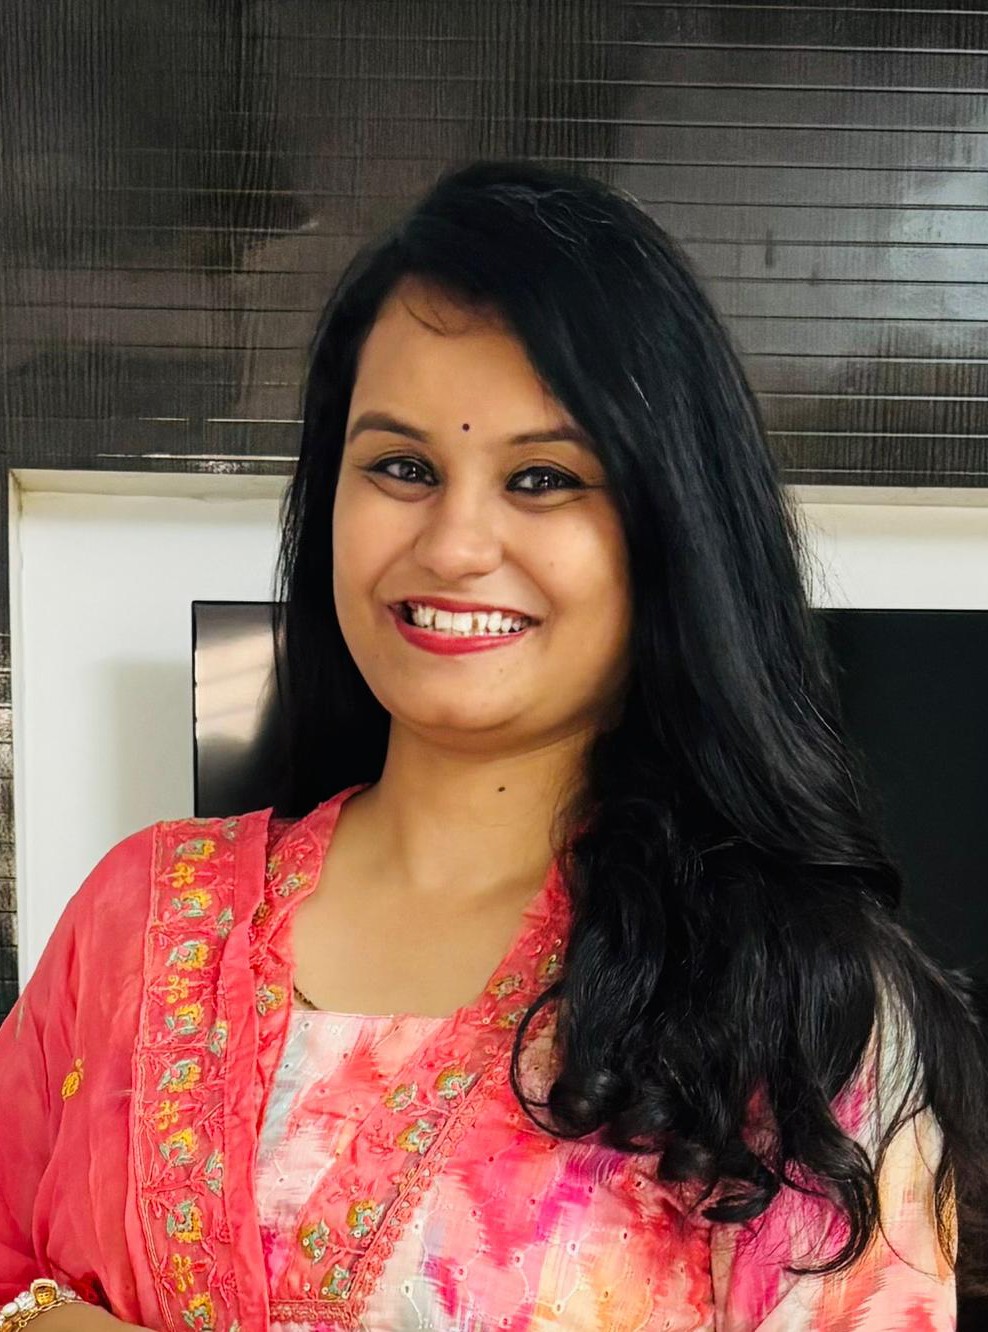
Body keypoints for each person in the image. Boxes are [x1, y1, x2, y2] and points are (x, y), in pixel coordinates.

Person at [1, 159, 985, 1332]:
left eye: (542, 478)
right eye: (402, 467)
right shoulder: (139, 917)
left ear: (670, 533)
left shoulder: (800, 1009)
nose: (455, 544)